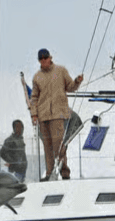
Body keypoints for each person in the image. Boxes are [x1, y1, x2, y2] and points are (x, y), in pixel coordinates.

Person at [29, 48, 83, 180]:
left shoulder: (61, 71)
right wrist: (34, 115)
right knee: (47, 146)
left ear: (50, 57)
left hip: (58, 115)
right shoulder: (37, 77)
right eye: (41, 59)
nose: (44, 60)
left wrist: (77, 81)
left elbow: (70, 87)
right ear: (39, 61)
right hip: (43, 116)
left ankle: (64, 172)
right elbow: (34, 97)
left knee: (59, 146)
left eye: (45, 58)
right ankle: (49, 173)